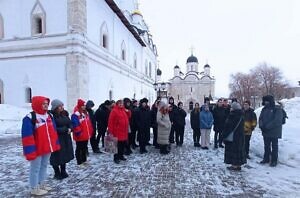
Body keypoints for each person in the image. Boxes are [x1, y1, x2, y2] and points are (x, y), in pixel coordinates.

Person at [21, 96, 60, 195]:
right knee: (35, 168)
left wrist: (55, 144)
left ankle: (42, 183)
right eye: (43, 104)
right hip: (37, 149)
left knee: (44, 166)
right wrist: (30, 151)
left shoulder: (49, 116)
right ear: (37, 104)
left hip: (47, 147)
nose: (46, 106)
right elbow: (27, 137)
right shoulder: (30, 118)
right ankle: (34, 188)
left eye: (47, 104)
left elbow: (54, 131)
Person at [50, 99, 74, 180]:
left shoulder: (64, 114)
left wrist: (70, 128)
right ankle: (57, 172)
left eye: (62, 106)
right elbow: (52, 128)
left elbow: (69, 123)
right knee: (56, 156)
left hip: (65, 138)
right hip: (57, 139)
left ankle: (63, 171)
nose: (62, 107)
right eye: (60, 106)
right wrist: (65, 129)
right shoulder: (51, 116)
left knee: (64, 155)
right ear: (56, 107)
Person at [259, 95, 283, 167]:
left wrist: (267, 127)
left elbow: (277, 120)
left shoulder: (277, 108)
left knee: (274, 146)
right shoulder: (264, 109)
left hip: (274, 131)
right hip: (265, 131)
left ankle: (274, 160)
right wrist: (261, 126)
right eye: (265, 101)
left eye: (266, 101)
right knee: (266, 146)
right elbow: (260, 118)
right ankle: (266, 158)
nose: (265, 102)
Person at [223, 102, 246, 171]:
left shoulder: (233, 115)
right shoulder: (242, 115)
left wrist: (224, 135)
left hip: (233, 137)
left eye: (231, 107)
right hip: (240, 136)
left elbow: (229, 127)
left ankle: (234, 165)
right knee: (239, 150)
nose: (230, 109)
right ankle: (238, 164)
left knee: (233, 150)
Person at [71, 99, 93, 166]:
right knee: (79, 148)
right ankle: (79, 162)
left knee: (84, 148)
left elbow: (88, 123)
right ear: (80, 106)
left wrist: (90, 130)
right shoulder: (76, 115)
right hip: (80, 135)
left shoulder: (85, 113)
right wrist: (79, 133)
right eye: (83, 105)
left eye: (84, 105)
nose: (84, 106)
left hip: (85, 134)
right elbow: (75, 125)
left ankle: (84, 160)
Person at [108, 99, 130, 164]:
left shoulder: (123, 110)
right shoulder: (114, 111)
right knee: (116, 145)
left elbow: (129, 116)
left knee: (122, 145)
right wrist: (111, 131)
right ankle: (116, 158)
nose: (121, 104)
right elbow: (110, 122)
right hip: (117, 132)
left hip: (123, 131)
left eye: (122, 103)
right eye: (119, 103)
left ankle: (121, 156)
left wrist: (128, 111)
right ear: (117, 104)